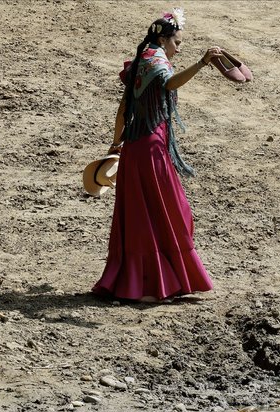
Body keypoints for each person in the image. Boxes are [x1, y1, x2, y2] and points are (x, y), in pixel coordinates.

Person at [92, 8, 221, 302]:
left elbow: (124, 109)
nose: (178, 48)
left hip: (136, 150)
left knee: (141, 217)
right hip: (151, 150)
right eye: (177, 42)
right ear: (164, 39)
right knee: (171, 211)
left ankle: (139, 283)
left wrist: (115, 145)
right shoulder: (156, 62)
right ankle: (152, 285)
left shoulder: (143, 60)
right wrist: (201, 63)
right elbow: (170, 83)